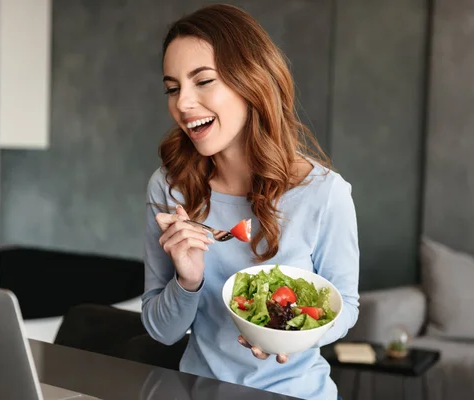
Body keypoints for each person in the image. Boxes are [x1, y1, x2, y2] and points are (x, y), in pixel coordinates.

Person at [141, 4, 359, 400]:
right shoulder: (171, 190)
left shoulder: (325, 193)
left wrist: (294, 336)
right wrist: (187, 282)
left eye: (202, 81)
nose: (182, 104)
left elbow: (346, 306)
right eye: (172, 88)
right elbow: (161, 330)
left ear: (251, 81)